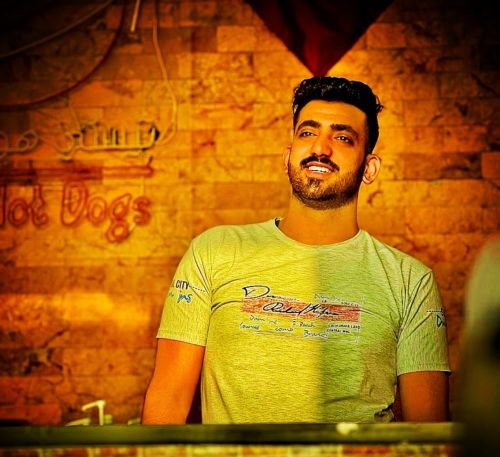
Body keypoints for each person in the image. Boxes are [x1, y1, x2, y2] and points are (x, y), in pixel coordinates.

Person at [142, 76, 450, 424]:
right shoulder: (213, 252)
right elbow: (168, 399)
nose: (320, 148)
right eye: (307, 132)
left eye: (342, 138)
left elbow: (429, 434)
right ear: (288, 156)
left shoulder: (410, 281)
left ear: (369, 167)